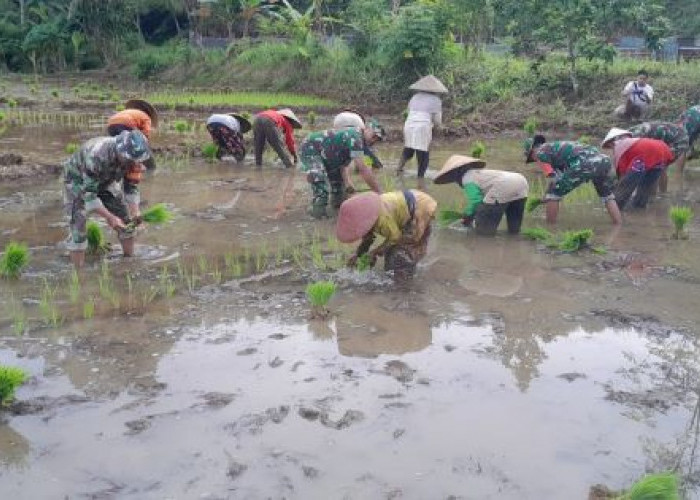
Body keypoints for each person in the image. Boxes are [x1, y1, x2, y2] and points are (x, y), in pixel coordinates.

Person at [63, 130, 152, 268]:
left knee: (126, 221)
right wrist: (110, 218)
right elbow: (90, 197)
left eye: (135, 161)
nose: (133, 163)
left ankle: (129, 262)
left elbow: (131, 187)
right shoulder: (97, 156)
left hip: (107, 180)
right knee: (78, 227)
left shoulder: (134, 159)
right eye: (129, 160)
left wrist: (136, 213)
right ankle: (78, 274)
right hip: (78, 181)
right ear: (120, 150)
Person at [337, 190, 437, 278]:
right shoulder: (368, 215)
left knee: (402, 252)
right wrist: (358, 254)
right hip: (408, 206)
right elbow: (368, 238)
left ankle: (405, 287)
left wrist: (373, 253)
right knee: (391, 253)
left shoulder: (382, 218)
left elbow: (395, 237)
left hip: (420, 207)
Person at [524, 135, 622, 225]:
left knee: (553, 194)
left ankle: (550, 228)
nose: (534, 160)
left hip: (585, 163)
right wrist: (546, 195)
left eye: (531, 158)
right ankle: (618, 225)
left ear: (532, 150)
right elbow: (560, 177)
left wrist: (548, 196)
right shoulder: (555, 148)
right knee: (606, 195)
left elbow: (553, 179)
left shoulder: (540, 153)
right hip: (604, 161)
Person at [300, 120, 385, 218]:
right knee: (321, 185)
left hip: (330, 155)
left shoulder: (361, 143)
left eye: (377, 139)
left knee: (339, 188)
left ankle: (337, 210)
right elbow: (363, 169)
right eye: (374, 136)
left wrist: (348, 182)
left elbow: (343, 164)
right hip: (311, 149)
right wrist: (379, 192)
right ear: (366, 129)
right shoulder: (355, 137)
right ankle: (317, 218)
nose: (374, 140)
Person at [434, 155, 529, 236]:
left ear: (457, 172)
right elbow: (483, 201)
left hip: (504, 185)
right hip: (521, 181)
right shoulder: (480, 174)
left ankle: (484, 249)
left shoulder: (467, 178)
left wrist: (467, 215)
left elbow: (476, 200)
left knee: (483, 232)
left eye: (452, 176)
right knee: (514, 229)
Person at [601, 128, 673, 210]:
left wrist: (619, 189)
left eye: (610, 145)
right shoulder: (634, 142)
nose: (611, 148)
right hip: (663, 150)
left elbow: (621, 173)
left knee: (620, 196)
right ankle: (639, 210)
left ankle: (616, 212)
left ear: (613, 141)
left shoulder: (619, 144)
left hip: (643, 156)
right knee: (644, 189)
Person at [396, 75, 447, 178]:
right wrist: (440, 127)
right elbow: (437, 121)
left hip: (409, 124)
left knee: (408, 149)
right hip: (423, 126)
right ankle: (420, 178)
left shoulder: (414, 97)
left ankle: (399, 169)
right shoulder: (436, 100)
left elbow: (409, 112)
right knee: (423, 153)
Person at [627, 121, 689, 192]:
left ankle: (662, 195)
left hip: (678, 139)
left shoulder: (635, 137)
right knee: (652, 166)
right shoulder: (629, 134)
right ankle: (653, 194)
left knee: (660, 167)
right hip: (665, 137)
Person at [107, 99, 158, 171]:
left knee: (116, 146)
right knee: (134, 147)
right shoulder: (146, 117)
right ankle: (142, 168)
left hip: (111, 123)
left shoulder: (130, 112)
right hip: (126, 124)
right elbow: (146, 133)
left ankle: (115, 165)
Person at [678, 104, 700, 176]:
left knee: (683, 148)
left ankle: (679, 174)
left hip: (691, 117)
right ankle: (679, 175)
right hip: (693, 118)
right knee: (684, 147)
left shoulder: (690, 111)